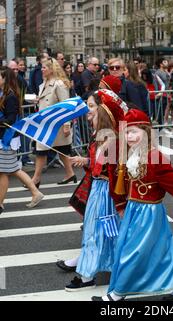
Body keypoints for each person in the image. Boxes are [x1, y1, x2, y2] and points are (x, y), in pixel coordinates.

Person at [92, 109, 173, 301]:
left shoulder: (154, 157)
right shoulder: (131, 154)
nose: (130, 136)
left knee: (132, 251)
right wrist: (121, 205)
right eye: (126, 132)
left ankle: (118, 294)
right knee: (159, 250)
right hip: (134, 209)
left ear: (147, 132)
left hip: (149, 213)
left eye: (135, 132)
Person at [63, 90, 127, 291]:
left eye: (91, 106)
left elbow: (107, 169)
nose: (87, 110)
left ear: (104, 110)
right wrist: (86, 161)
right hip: (101, 190)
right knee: (105, 233)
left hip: (105, 193)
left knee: (96, 233)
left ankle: (88, 276)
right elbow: (98, 167)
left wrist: (90, 161)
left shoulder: (111, 138)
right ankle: (110, 270)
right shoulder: (101, 135)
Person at [0, 67, 44, 215]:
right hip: (4, 137)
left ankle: (0, 203)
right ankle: (35, 192)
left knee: (3, 172)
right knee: (13, 169)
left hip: (6, 139)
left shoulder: (10, 96)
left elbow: (11, 120)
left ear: (4, 79)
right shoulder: (4, 94)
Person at [31, 58, 76, 187]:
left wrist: (67, 125)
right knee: (54, 150)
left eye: (44, 67)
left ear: (51, 69)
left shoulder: (59, 84)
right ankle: (70, 174)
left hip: (56, 124)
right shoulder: (44, 83)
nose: (42, 70)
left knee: (43, 151)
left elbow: (66, 106)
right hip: (46, 123)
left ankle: (36, 179)